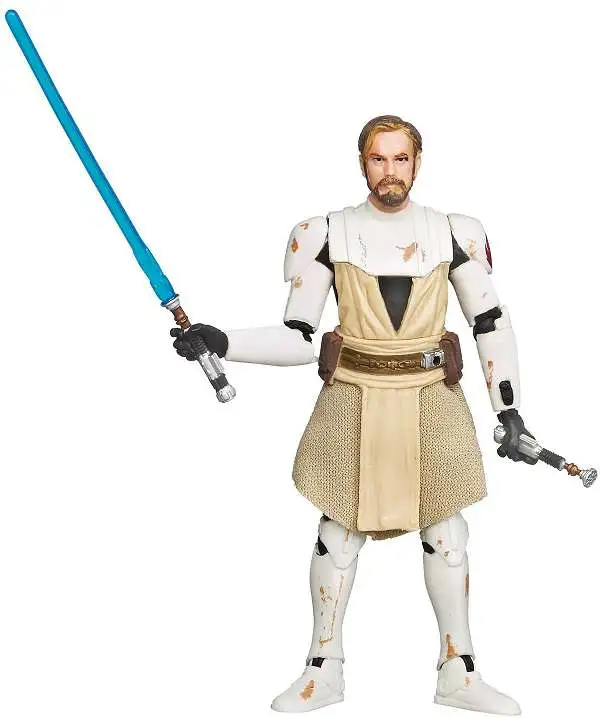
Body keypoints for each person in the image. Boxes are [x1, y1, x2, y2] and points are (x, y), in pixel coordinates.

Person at [171, 115, 534, 715]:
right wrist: (222, 340)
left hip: (432, 401)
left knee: (447, 535)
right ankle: (323, 669)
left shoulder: (452, 233)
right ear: (363, 163)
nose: (390, 171)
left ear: (417, 162)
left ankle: (459, 669)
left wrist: (510, 408)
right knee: (337, 534)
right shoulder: (326, 234)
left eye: (400, 158)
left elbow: (490, 323)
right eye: (378, 159)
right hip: (352, 399)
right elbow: (298, 337)